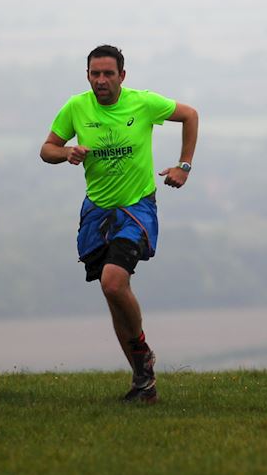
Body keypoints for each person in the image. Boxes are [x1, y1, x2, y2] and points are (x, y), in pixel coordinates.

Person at [40, 44, 199, 403]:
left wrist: (183, 166)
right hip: (97, 212)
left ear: (122, 76)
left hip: (136, 207)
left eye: (108, 74)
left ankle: (141, 350)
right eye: (95, 74)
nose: (101, 80)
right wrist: (66, 152)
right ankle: (144, 382)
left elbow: (190, 115)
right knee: (112, 296)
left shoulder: (142, 103)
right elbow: (47, 148)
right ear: (87, 76)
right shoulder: (76, 107)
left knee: (114, 282)